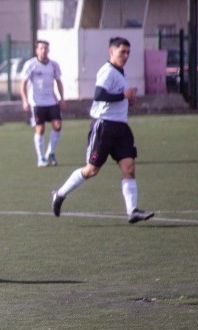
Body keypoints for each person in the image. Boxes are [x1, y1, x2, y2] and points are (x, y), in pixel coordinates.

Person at [51, 37, 154, 224]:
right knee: (91, 170)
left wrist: (127, 99)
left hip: (121, 127)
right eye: (122, 51)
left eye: (128, 52)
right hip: (104, 126)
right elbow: (99, 95)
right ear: (111, 52)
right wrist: (123, 95)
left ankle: (133, 210)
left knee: (129, 167)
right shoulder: (107, 71)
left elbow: (115, 96)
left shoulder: (121, 73)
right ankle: (60, 194)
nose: (126, 55)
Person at [20, 40, 65, 167]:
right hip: (37, 103)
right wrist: (24, 100)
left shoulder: (54, 65)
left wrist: (62, 98)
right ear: (37, 50)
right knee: (40, 129)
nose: (43, 51)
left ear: (48, 50)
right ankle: (41, 158)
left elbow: (58, 81)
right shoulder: (31, 64)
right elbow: (23, 84)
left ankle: (49, 153)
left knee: (57, 126)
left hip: (52, 101)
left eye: (45, 48)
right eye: (41, 48)